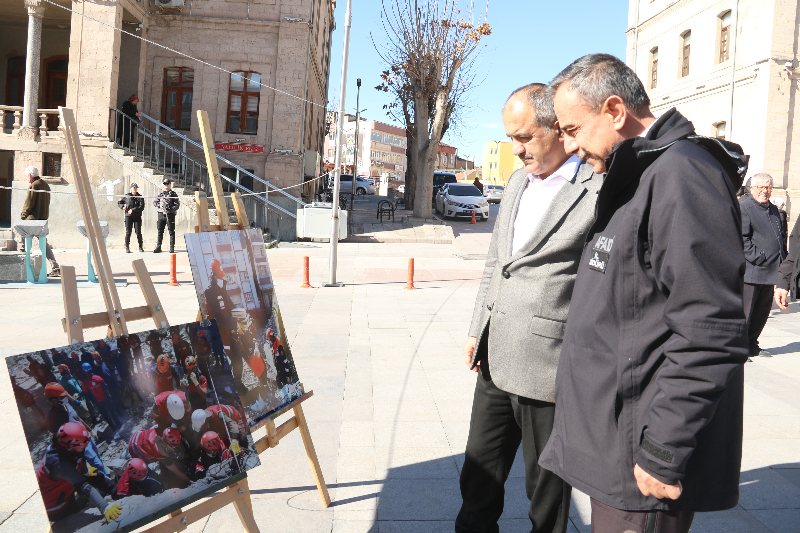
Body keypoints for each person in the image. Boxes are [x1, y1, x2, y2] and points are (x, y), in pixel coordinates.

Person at [538, 54, 748, 533]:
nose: (567, 146)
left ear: (615, 111)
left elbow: (709, 328)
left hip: (642, 459)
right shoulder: (641, 171)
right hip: (618, 444)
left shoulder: (681, 174)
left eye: (571, 129)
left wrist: (662, 450)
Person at [456, 84, 602, 533]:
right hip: (494, 358)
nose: (515, 150)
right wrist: (476, 326)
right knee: (478, 479)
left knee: (546, 494)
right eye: (509, 138)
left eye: (523, 137)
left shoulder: (596, 189)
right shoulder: (518, 182)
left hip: (549, 367)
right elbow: (497, 263)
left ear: (557, 128)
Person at [740, 172, 786, 359]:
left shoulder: (773, 209)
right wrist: (759, 257)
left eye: (768, 187)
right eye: (761, 187)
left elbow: (779, 237)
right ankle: (739, 348)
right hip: (752, 270)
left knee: (761, 312)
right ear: (752, 188)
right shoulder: (744, 207)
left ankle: (752, 344)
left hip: (771, 271)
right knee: (746, 312)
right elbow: (742, 239)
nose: (765, 191)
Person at [36, 422, 121, 522]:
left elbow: (81, 460)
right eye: (82, 445)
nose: (85, 447)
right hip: (56, 506)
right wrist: (104, 507)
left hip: (64, 491)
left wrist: (85, 470)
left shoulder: (63, 446)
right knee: (78, 508)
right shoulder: (59, 463)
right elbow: (83, 486)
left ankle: (119, 492)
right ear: (70, 447)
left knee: (95, 475)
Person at [43, 383, 109, 476]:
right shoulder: (51, 417)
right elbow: (56, 435)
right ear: (54, 400)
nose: (65, 398)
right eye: (62, 397)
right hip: (79, 444)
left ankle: (104, 473)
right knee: (95, 462)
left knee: (97, 456)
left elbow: (78, 418)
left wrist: (90, 430)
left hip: (86, 436)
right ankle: (105, 477)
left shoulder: (67, 406)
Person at [17, 166, 60, 277]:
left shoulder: (33, 185)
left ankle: (20, 264)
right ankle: (55, 266)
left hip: (32, 219)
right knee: (44, 243)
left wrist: (23, 216)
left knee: (21, 235)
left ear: (30, 175)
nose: (27, 178)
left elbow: (28, 204)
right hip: (42, 218)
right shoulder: (45, 185)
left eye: (27, 176)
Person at [128, 426, 193, 488]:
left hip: (139, 434)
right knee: (144, 469)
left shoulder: (163, 431)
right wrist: (189, 481)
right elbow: (176, 472)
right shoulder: (160, 452)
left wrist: (173, 461)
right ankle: (160, 482)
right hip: (135, 449)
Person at [81, 363, 122, 440]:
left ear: (84, 371)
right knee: (111, 411)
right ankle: (118, 423)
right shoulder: (98, 378)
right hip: (105, 397)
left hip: (97, 400)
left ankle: (113, 427)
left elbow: (85, 392)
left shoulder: (85, 383)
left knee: (105, 414)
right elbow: (105, 387)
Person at [153, 178, 180, 254]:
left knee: (171, 231)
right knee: (160, 231)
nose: (166, 185)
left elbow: (177, 205)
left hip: (170, 215)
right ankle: (158, 247)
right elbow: (155, 202)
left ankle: (171, 248)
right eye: (165, 184)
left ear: (170, 184)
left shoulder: (173, 194)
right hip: (161, 215)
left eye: (167, 183)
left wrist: (169, 210)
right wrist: (160, 205)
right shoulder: (161, 194)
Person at [118, 182, 145, 253]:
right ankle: (127, 247)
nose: (135, 189)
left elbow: (141, 207)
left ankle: (140, 247)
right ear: (131, 189)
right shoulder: (126, 196)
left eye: (136, 188)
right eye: (134, 188)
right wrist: (123, 207)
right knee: (128, 232)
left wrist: (132, 210)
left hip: (137, 217)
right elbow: (119, 202)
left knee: (138, 232)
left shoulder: (140, 197)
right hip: (128, 217)